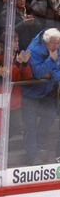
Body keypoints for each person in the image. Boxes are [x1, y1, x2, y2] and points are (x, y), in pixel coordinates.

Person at [21, 27, 60, 165]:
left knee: (50, 116)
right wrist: (51, 61)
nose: (57, 46)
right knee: (30, 126)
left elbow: (57, 72)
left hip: (48, 91)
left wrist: (51, 74)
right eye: (55, 44)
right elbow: (37, 73)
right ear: (47, 42)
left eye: (58, 43)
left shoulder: (56, 44)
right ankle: (32, 155)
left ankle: (39, 147)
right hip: (30, 93)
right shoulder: (34, 50)